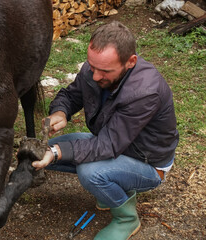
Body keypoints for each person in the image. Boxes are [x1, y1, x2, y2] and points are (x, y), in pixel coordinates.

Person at [32, 21, 179, 240]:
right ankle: (113, 186)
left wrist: (57, 152)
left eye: (105, 71)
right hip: (116, 145)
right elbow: (71, 95)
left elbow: (107, 145)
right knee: (49, 148)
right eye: (92, 67)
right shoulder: (95, 69)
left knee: (90, 171)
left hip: (147, 164)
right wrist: (60, 112)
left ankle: (126, 219)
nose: (95, 76)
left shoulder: (145, 92)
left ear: (130, 62)